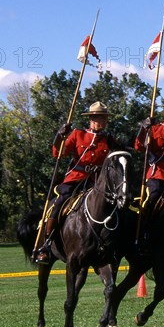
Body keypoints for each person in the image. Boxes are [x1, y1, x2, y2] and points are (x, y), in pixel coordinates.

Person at [35, 101, 120, 264]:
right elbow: (58, 153)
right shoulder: (77, 134)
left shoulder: (109, 139)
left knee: (115, 207)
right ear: (91, 119)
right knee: (59, 203)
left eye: (104, 118)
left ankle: (114, 247)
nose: (101, 121)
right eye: (98, 118)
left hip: (96, 183)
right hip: (75, 179)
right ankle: (46, 244)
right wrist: (60, 136)